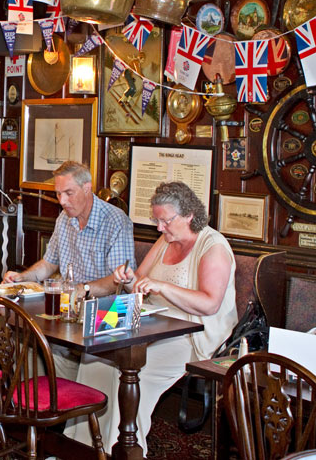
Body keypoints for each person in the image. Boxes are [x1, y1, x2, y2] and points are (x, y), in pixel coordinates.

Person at [68, 181, 237, 457]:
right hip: (150, 322)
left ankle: (124, 451)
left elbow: (209, 303)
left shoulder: (212, 247)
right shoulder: (166, 238)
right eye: (156, 220)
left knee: (129, 371)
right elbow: (140, 281)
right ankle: (83, 447)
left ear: (188, 216)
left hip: (191, 333)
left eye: (165, 221)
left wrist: (164, 288)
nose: (159, 228)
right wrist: (128, 277)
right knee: (95, 357)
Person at [3, 159, 134, 379]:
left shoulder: (115, 221)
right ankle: (37, 404)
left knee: (52, 346)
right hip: (66, 309)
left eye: (68, 193)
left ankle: (68, 404)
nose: (62, 201)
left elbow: (119, 280)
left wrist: (84, 289)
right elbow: (48, 263)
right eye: (58, 194)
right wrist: (21, 278)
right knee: (20, 334)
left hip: (101, 313)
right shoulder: (64, 218)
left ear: (87, 188)